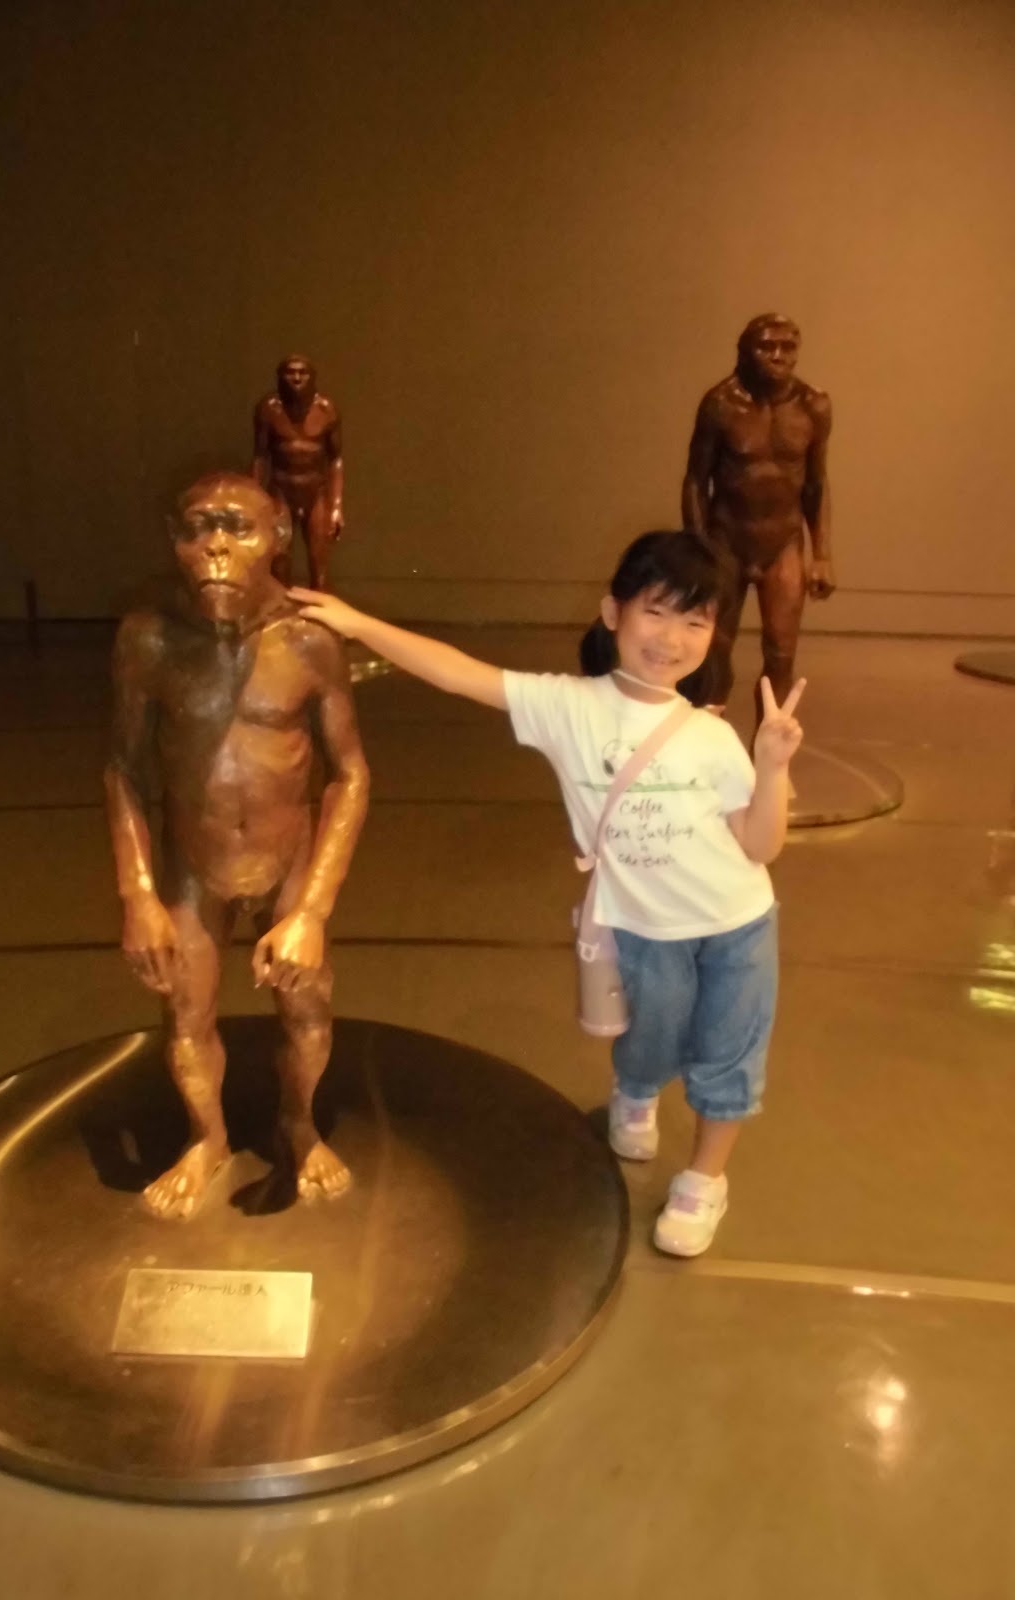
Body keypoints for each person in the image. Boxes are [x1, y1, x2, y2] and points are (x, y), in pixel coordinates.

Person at [292, 531, 804, 1257]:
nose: (672, 638)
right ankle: (636, 1091)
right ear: (613, 612)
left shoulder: (712, 735)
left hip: (739, 924)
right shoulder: (568, 708)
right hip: (644, 926)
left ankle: (704, 1179)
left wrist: (773, 765)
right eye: (657, 612)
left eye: (695, 621)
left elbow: (760, 846)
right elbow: (459, 674)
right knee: (650, 1041)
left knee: (730, 1055)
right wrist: (358, 623)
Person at [105, 471, 369, 1220]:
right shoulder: (149, 640)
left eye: (236, 528)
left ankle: (299, 1123)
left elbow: (350, 774)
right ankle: (207, 1137)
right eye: (198, 530)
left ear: (278, 536)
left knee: (307, 1008)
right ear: (174, 540)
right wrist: (138, 894)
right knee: (186, 1016)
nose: (215, 548)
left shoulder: (309, 643)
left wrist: (312, 910)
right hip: (194, 864)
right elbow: (123, 767)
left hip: (288, 861)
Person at [682, 313, 832, 719]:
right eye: (766, 346)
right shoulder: (721, 405)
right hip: (727, 540)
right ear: (745, 352)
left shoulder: (813, 405)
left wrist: (822, 554)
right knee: (713, 651)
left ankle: (769, 748)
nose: (777, 356)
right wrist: (696, 548)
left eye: (787, 347)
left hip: (782, 544)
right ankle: (704, 740)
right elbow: (696, 480)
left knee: (781, 653)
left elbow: (816, 483)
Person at [252, 354, 344, 591]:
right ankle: (282, 611)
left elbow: (335, 459)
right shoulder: (269, 409)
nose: (296, 378)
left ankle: (320, 611)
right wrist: (253, 500)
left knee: (319, 563)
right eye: (290, 372)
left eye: (302, 373)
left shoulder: (326, 410)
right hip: (281, 491)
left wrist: (336, 506)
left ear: (312, 377)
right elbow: (260, 456)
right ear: (280, 377)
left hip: (316, 493)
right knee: (279, 563)